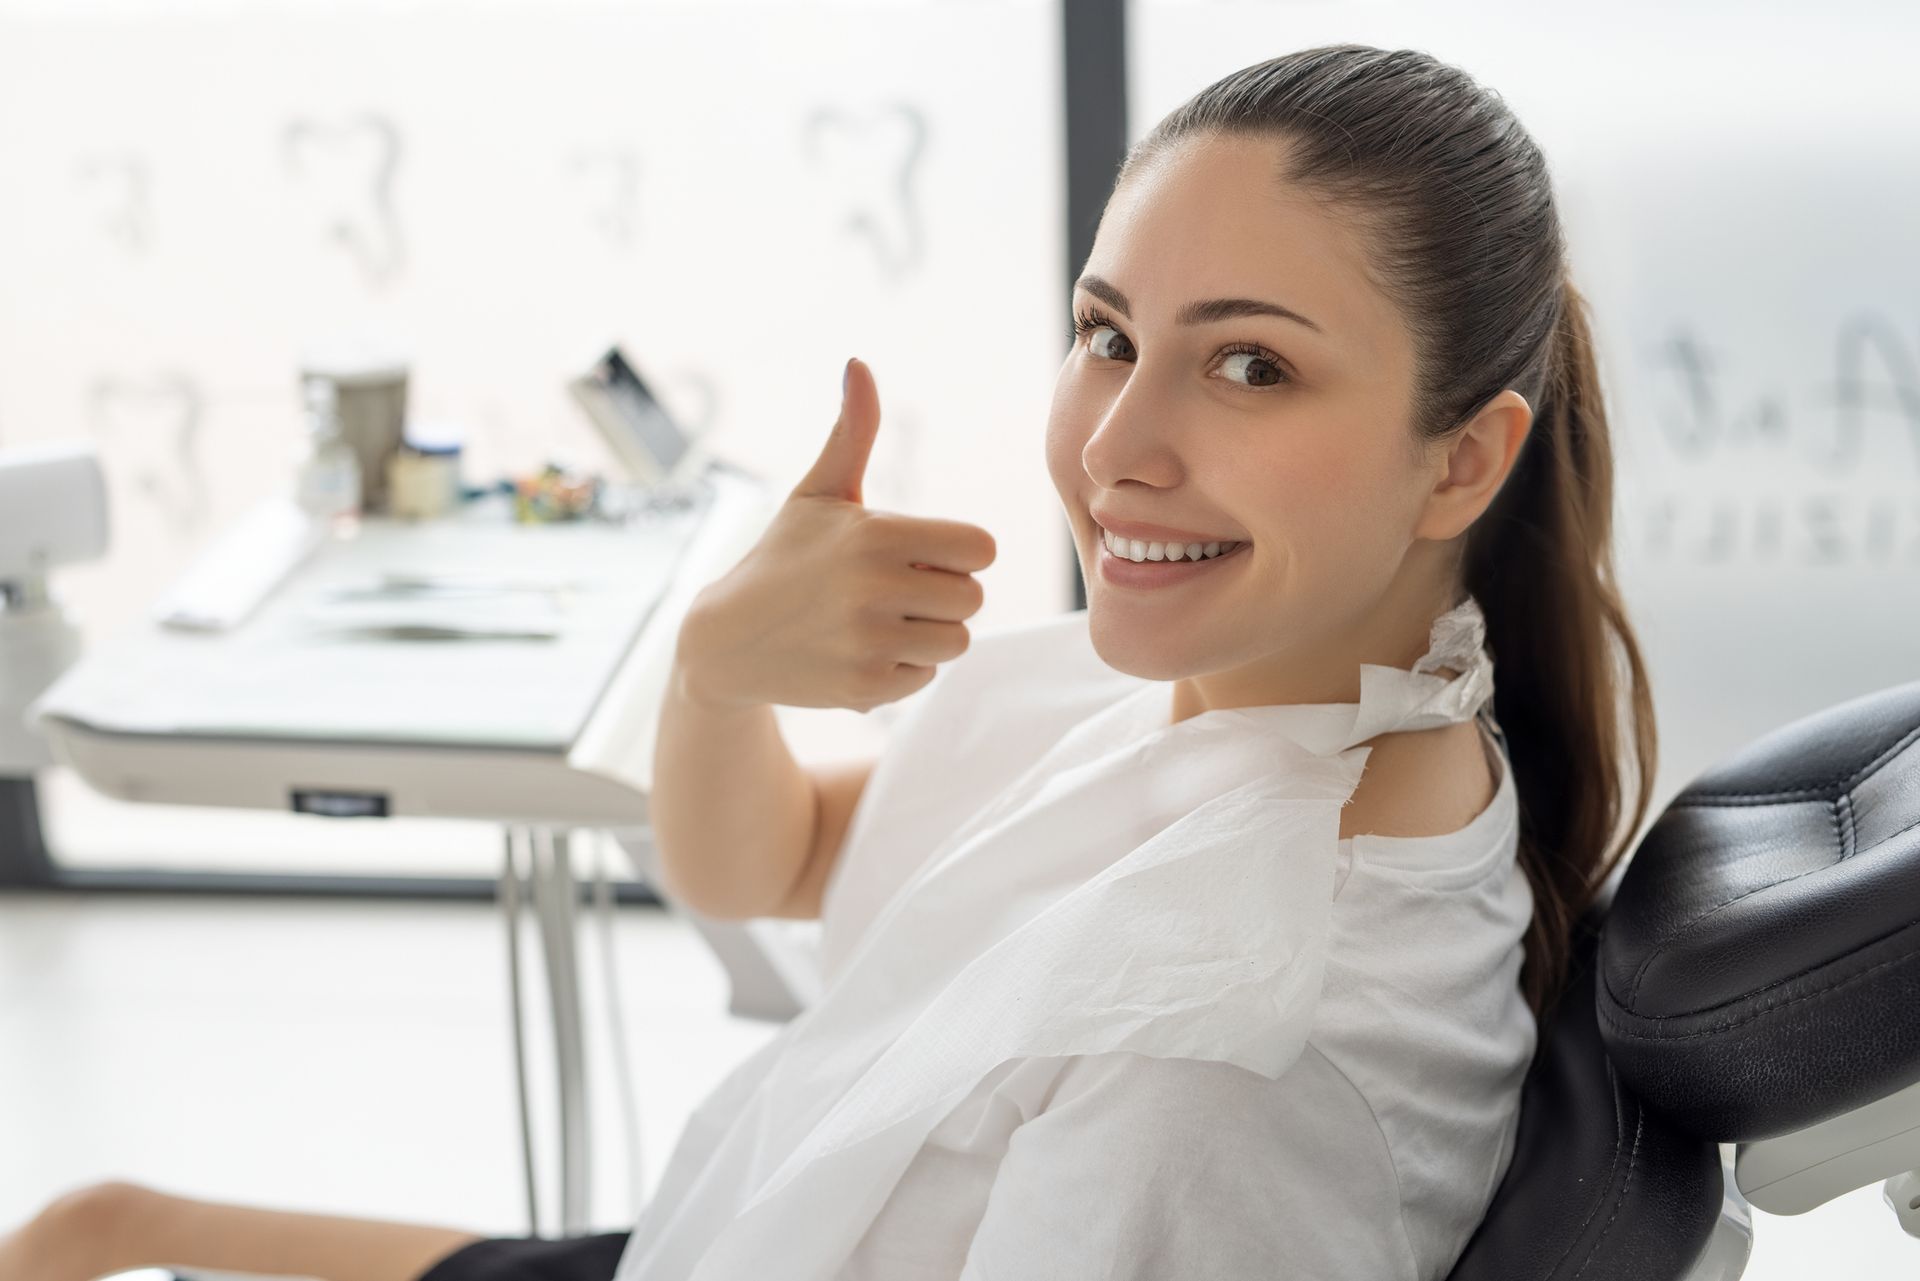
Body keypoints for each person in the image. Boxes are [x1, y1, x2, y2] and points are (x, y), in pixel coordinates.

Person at [0, 41, 1656, 1281]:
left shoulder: (1220, 1068)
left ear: (1463, 460)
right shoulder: (1282, 693)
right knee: (95, 1218)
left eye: (1249, 365)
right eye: (1107, 335)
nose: (1118, 447)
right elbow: (776, 850)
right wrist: (719, 668)